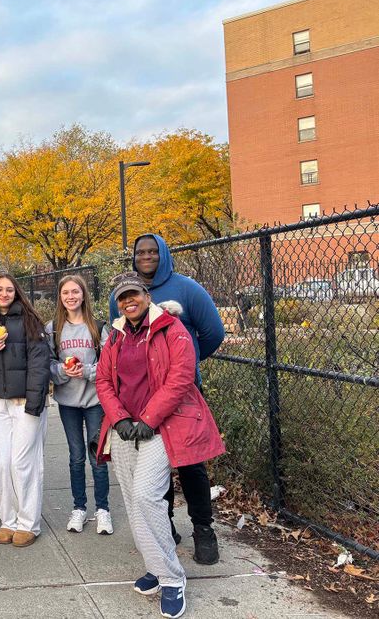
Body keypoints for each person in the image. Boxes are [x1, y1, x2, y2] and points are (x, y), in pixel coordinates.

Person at [95, 272, 225, 619]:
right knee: (131, 501)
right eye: (122, 298)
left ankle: (171, 578)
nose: (128, 302)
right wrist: (119, 417)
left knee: (146, 496)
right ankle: (155, 564)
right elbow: (104, 379)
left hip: (159, 428)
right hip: (124, 428)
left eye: (133, 294)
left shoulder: (172, 329)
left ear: (147, 295)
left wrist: (148, 420)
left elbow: (180, 378)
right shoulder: (116, 335)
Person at [110, 233, 225, 564]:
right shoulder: (123, 292)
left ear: (163, 254)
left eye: (152, 252)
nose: (146, 257)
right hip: (140, 400)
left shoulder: (186, 289)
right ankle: (166, 526)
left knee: (190, 465)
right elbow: (119, 338)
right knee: (152, 469)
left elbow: (213, 333)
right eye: (140, 252)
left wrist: (182, 364)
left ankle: (203, 529)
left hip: (180, 395)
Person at [0, 273, 50, 547]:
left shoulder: (30, 320)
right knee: (2, 463)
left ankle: (28, 523)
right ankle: (8, 519)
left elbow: (40, 363)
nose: (3, 294)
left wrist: (34, 402)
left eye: (9, 289)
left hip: (24, 401)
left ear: (17, 293)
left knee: (22, 463)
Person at [45, 275, 112, 535]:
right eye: (65, 293)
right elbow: (48, 365)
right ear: (60, 298)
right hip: (68, 402)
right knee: (75, 456)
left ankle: (103, 510)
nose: (71, 297)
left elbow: (108, 366)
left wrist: (85, 371)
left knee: (97, 457)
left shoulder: (98, 327)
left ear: (83, 295)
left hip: (95, 400)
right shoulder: (53, 329)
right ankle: (79, 508)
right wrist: (63, 370)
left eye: (75, 292)